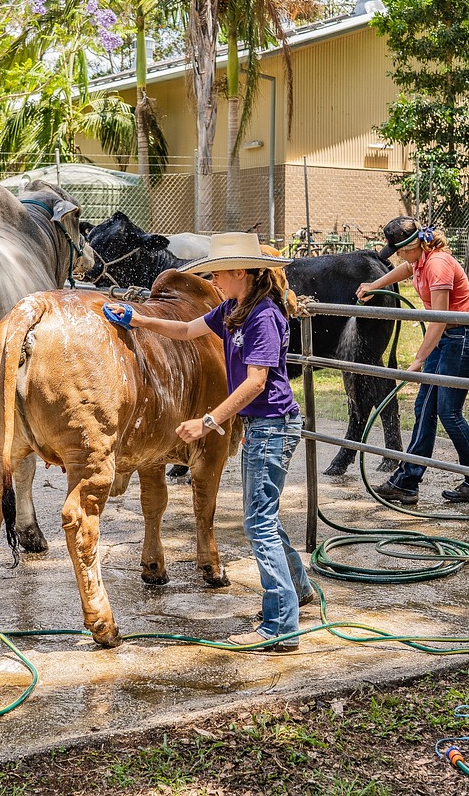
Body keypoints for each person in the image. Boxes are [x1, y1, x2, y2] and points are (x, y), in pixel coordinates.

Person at [105, 232, 314, 652]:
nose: (213, 280)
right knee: (265, 517)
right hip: (261, 427)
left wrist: (208, 421)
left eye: (218, 272)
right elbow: (185, 328)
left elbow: (256, 382)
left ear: (240, 272)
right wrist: (139, 319)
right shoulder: (234, 309)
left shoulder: (264, 317)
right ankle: (300, 590)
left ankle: (279, 626)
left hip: (272, 426)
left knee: (258, 524)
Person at [355, 216, 469, 505]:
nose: (399, 258)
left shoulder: (438, 264)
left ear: (413, 245)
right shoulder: (419, 260)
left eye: (401, 251)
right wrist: (373, 284)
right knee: (424, 408)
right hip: (447, 339)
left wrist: (418, 359)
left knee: (448, 412)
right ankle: (407, 482)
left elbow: (439, 319)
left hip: (463, 337)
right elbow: (405, 270)